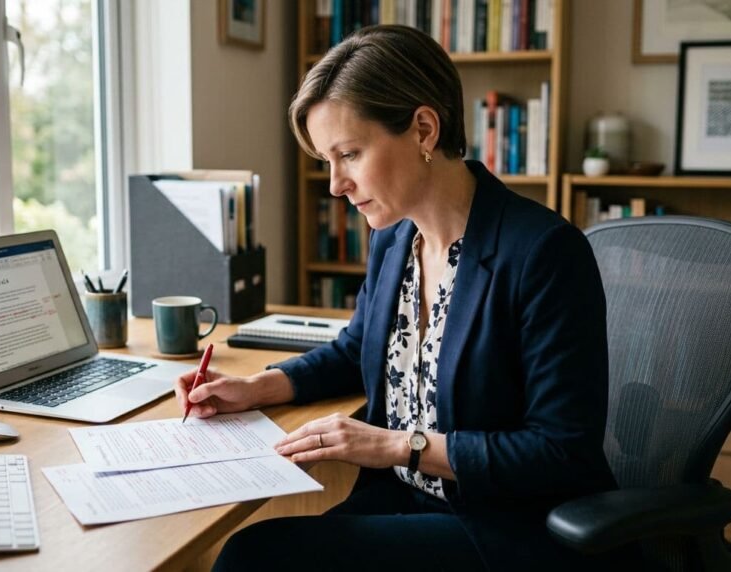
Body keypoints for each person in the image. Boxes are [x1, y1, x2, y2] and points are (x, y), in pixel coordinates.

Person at [177, 25, 625, 571]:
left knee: (254, 557)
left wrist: (397, 445)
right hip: (405, 503)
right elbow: (356, 349)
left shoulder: (543, 253)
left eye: (350, 154)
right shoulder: (394, 238)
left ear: (423, 129)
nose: (336, 184)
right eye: (328, 161)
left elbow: (562, 452)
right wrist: (255, 387)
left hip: (505, 528)